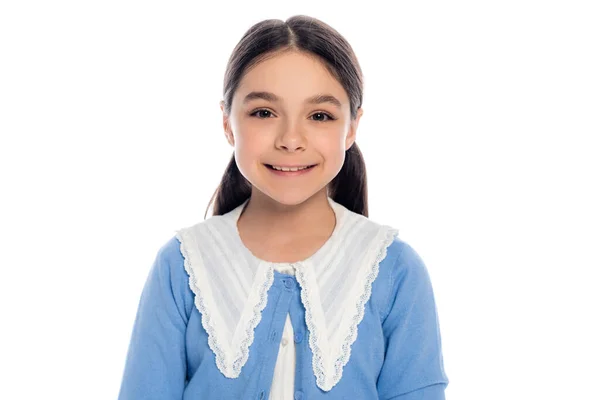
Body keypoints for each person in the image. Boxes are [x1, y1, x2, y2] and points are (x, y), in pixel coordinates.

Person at [118, 15, 449, 400]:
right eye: (263, 112)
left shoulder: (395, 270)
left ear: (353, 127)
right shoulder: (182, 264)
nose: (291, 139)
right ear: (227, 121)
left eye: (320, 116)